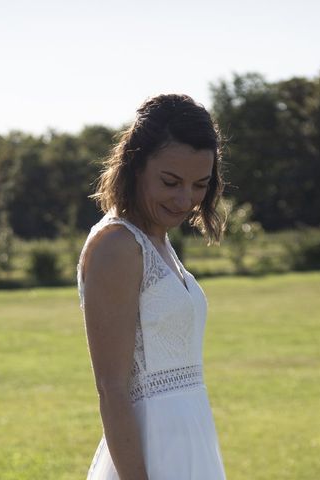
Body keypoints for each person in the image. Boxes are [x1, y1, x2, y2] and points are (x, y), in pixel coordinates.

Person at [77, 93, 228, 479]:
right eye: (170, 181)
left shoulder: (158, 240)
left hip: (191, 436)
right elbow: (112, 388)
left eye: (200, 185)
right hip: (152, 449)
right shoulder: (117, 245)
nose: (185, 200)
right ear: (136, 164)